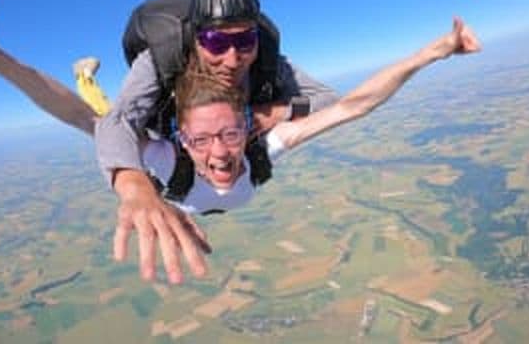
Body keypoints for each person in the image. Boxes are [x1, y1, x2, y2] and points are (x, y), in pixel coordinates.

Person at [95, 0, 341, 283]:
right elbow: (118, 121)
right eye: (216, 42)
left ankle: (182, 0)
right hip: (170, 121)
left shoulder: (266, 60)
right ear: (196, 38)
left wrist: (275, 112)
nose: (232, 59)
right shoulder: (161, 58)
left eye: (245, 41)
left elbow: (330, 101)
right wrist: (134, 186)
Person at [138, 17, 481, 215]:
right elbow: (109, 128)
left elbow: (353, 106)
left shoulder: (261, 151)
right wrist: (133, 187)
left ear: (248, 128)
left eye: (230, 134)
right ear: (182, 140)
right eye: (200, 139)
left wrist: (431, 54)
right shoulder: (165, 159)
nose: (219, 153)